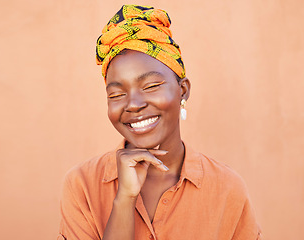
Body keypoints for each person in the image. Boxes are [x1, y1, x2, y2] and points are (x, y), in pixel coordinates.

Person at [58, 5, 262, 240]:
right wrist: (124, 199)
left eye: (151, 86)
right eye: (116, 94)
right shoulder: (82, 185)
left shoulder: (226, 188)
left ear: (182, 91)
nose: (133, 104)